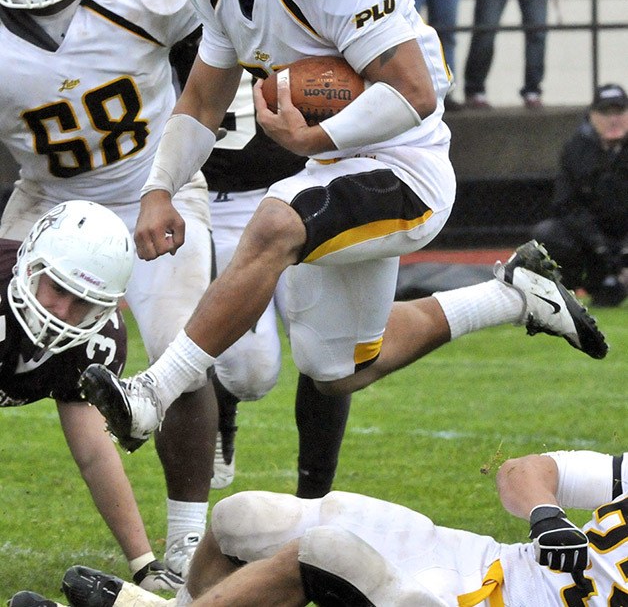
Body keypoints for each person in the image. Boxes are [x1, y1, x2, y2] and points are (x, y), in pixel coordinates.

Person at [76, 0, 606, 456]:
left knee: (274, 224)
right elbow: (201, 100)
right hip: (332, 165)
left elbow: (414, 93)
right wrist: (159, 187)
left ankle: (150, 396)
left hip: (405, 165)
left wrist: (313, 140)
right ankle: (509, 297)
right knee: (337, 372)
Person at [0, 0, 215, 579]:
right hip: (47, 203)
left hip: (156, 189)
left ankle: (183, 547)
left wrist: (197, 150)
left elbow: (214, 50)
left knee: (182, 357)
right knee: (66, 371)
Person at [15, 446, 628, 606]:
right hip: (473, 557)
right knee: (242, 519)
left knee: (327, 553)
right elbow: (526, 470)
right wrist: (547, 517)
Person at [176, 70, 351, 495]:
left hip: (306, 182)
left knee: (332, 353)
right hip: (220, 201)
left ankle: (314, 498)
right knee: (250, 373)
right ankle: (224, 403)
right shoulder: (183, 13)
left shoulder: (313, 7)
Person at [0, 200, 182, 593]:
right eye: (58, 289)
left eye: (84, 302)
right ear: (29, 263)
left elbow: (95, 453)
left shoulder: (97, 341)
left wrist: (143, 564)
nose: (63, 312)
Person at [533, 83, 628, 307]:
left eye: (620, 112)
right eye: (605, 113)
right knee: (548, 233)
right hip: (591, 242)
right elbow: (565, 205)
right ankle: (567, 290)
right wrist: (599, 245)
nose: (613, 120)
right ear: (592, 116)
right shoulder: (575, 150)